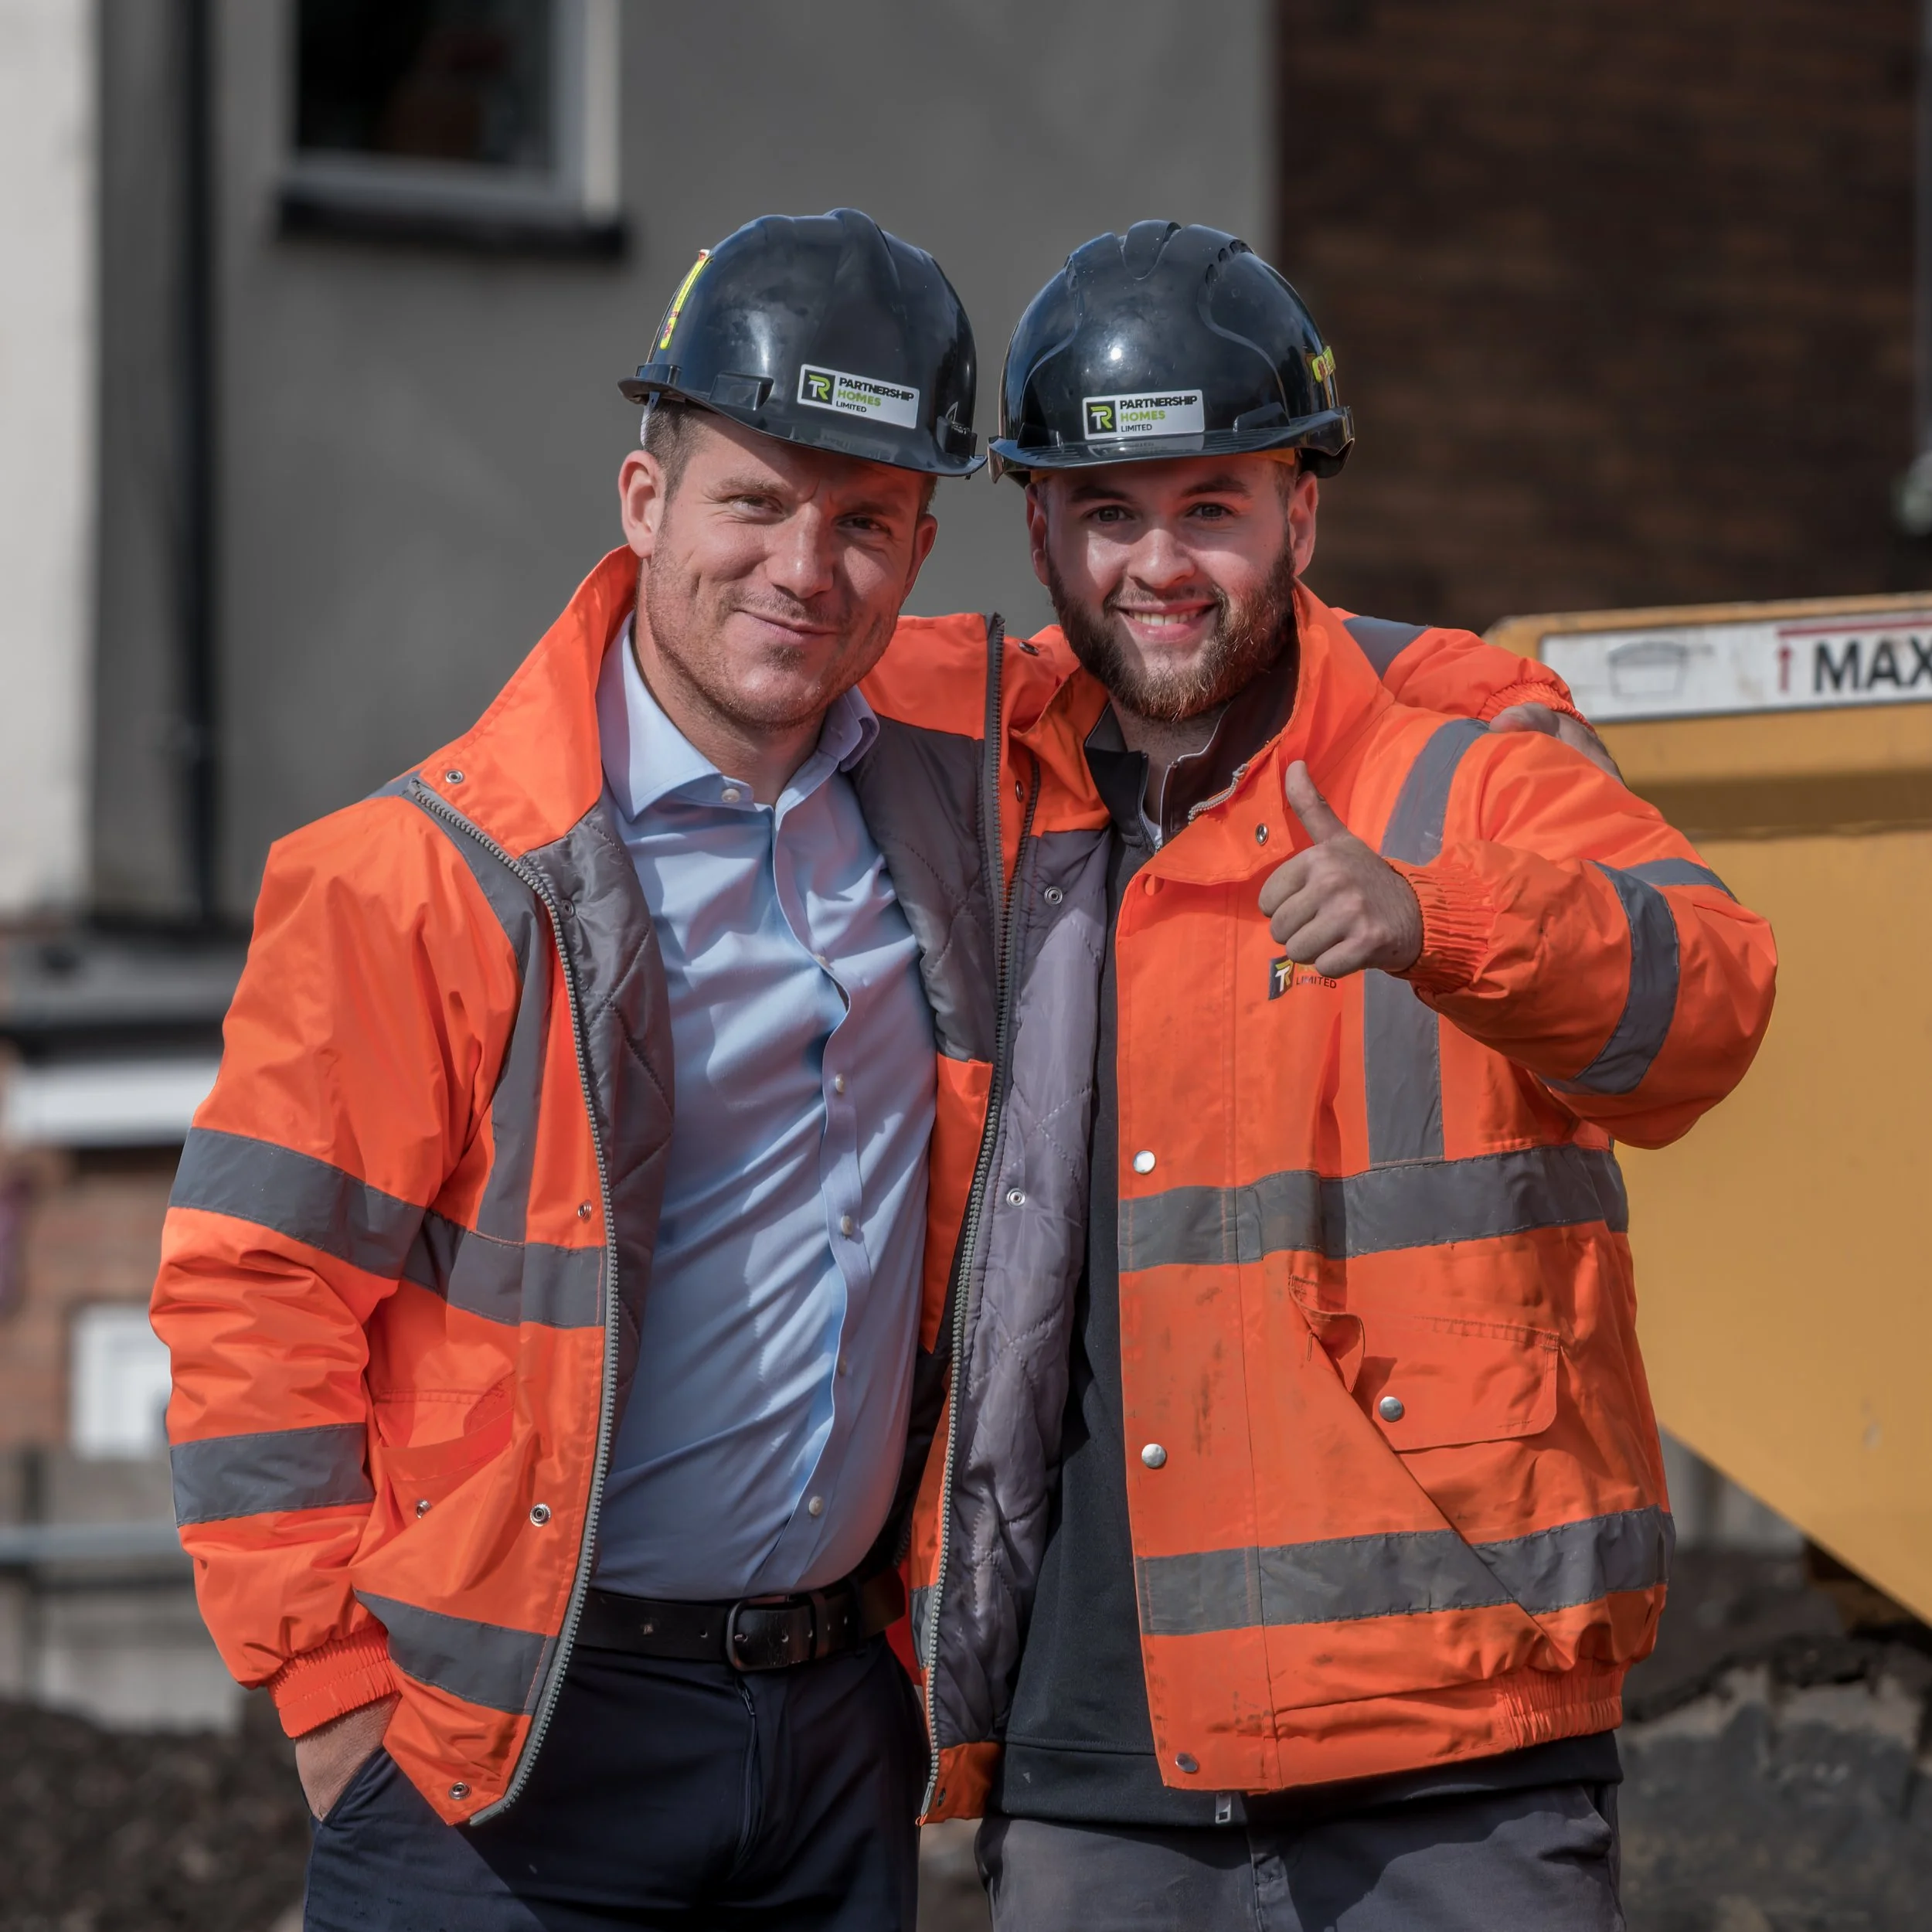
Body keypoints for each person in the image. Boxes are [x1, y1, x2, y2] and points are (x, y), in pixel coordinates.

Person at [149, 205, 1686, 1930]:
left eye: (865, 523)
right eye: (752, 501)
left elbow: (1221, 652)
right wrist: (331, 1699)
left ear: (934, 542)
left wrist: (1486, 706)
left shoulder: (945, 766)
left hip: (827, 1739)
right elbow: (248, 1297)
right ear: (643, 501)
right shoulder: (424, 871)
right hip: (508, 1737)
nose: (805, 570)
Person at [884, 224, 1777, 1930]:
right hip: (1098, 1767)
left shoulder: (1463, 752)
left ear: (1303, 511)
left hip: (1450, 1759)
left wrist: (1438, 917)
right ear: (1039, 529)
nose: (1160, 562)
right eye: (1110, 511)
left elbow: (1709, 1001)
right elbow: (730, 638)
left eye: (1209, 506)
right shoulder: (968, 759)